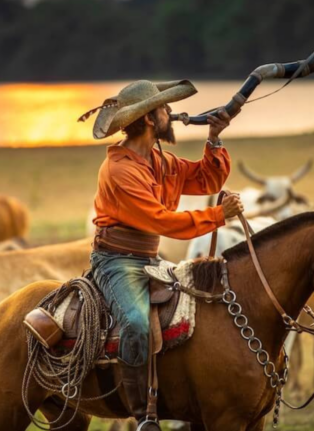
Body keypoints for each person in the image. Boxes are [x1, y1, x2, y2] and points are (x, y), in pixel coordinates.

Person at [79, 79, 243, 430]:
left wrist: (214, 138)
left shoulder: (161, 160)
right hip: (117, 262)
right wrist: (218, 216)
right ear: (151, 120)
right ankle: (142, 416)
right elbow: (161, 220)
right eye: (164, 109)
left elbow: (207, 180)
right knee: (137, 325)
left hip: (150, 260)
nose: (170, 113)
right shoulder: (120, 170)